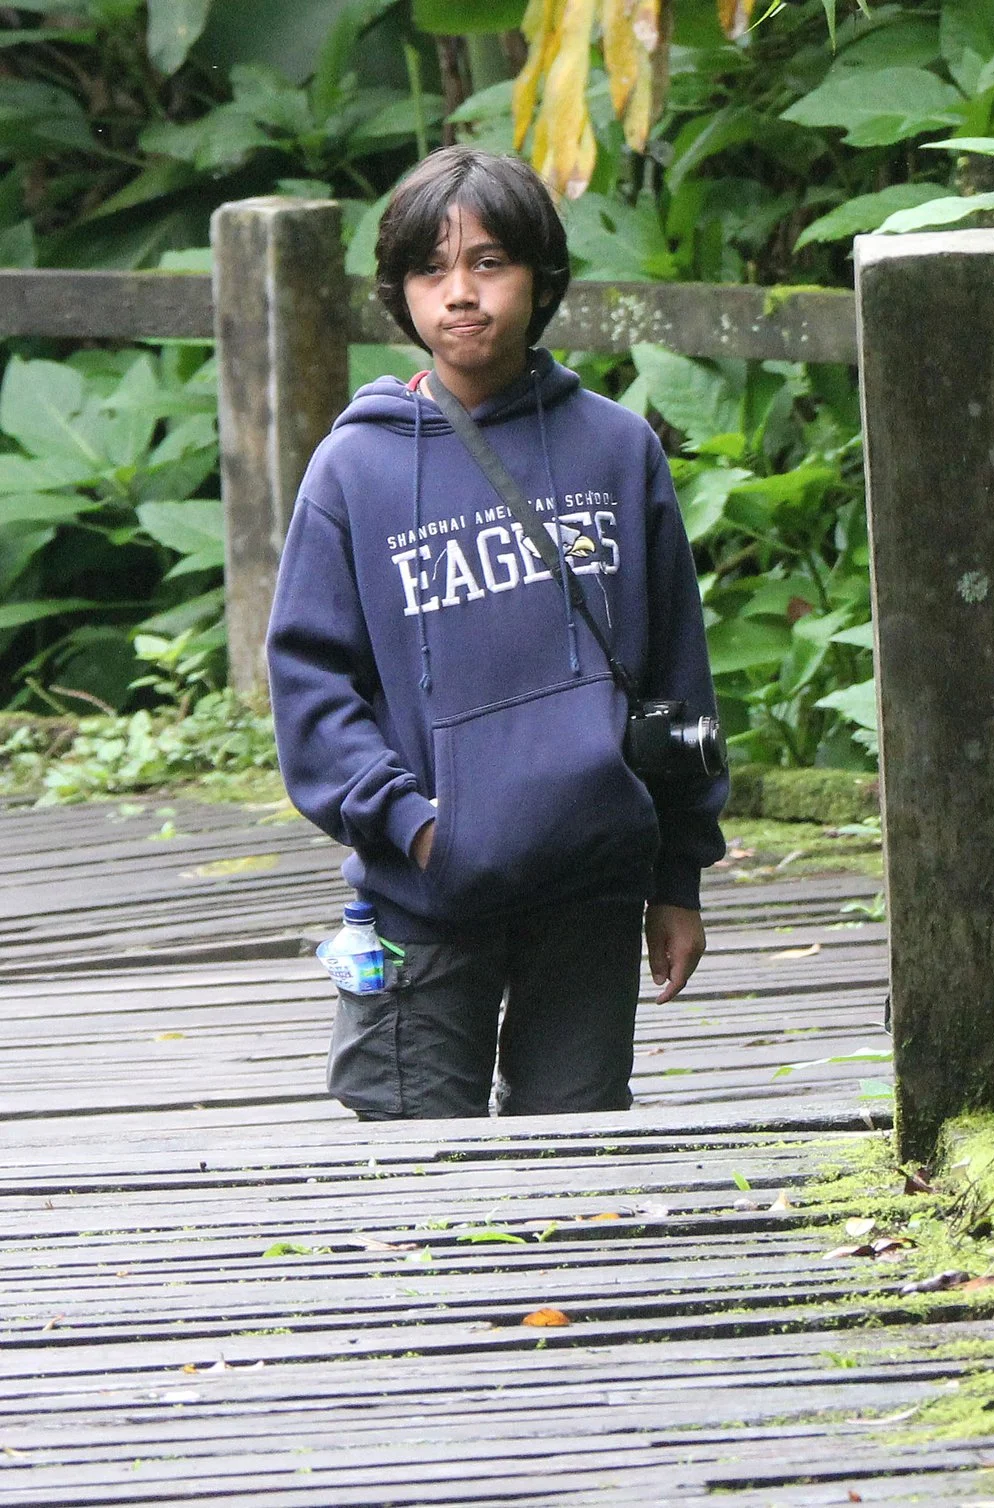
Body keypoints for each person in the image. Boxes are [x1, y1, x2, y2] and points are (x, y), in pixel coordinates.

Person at [266, 146, 726, 1120]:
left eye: (489, 262)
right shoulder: (354, 471)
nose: (460, 293)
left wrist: (675, 876)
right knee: (411, 1174)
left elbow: (675, 671)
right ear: (399, 294)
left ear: (541, 276)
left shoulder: (616, 448)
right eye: (432, 269)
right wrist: (415, 825)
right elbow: (310, 683)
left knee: (574, 1153)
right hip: (423, 896)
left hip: (589, 892)